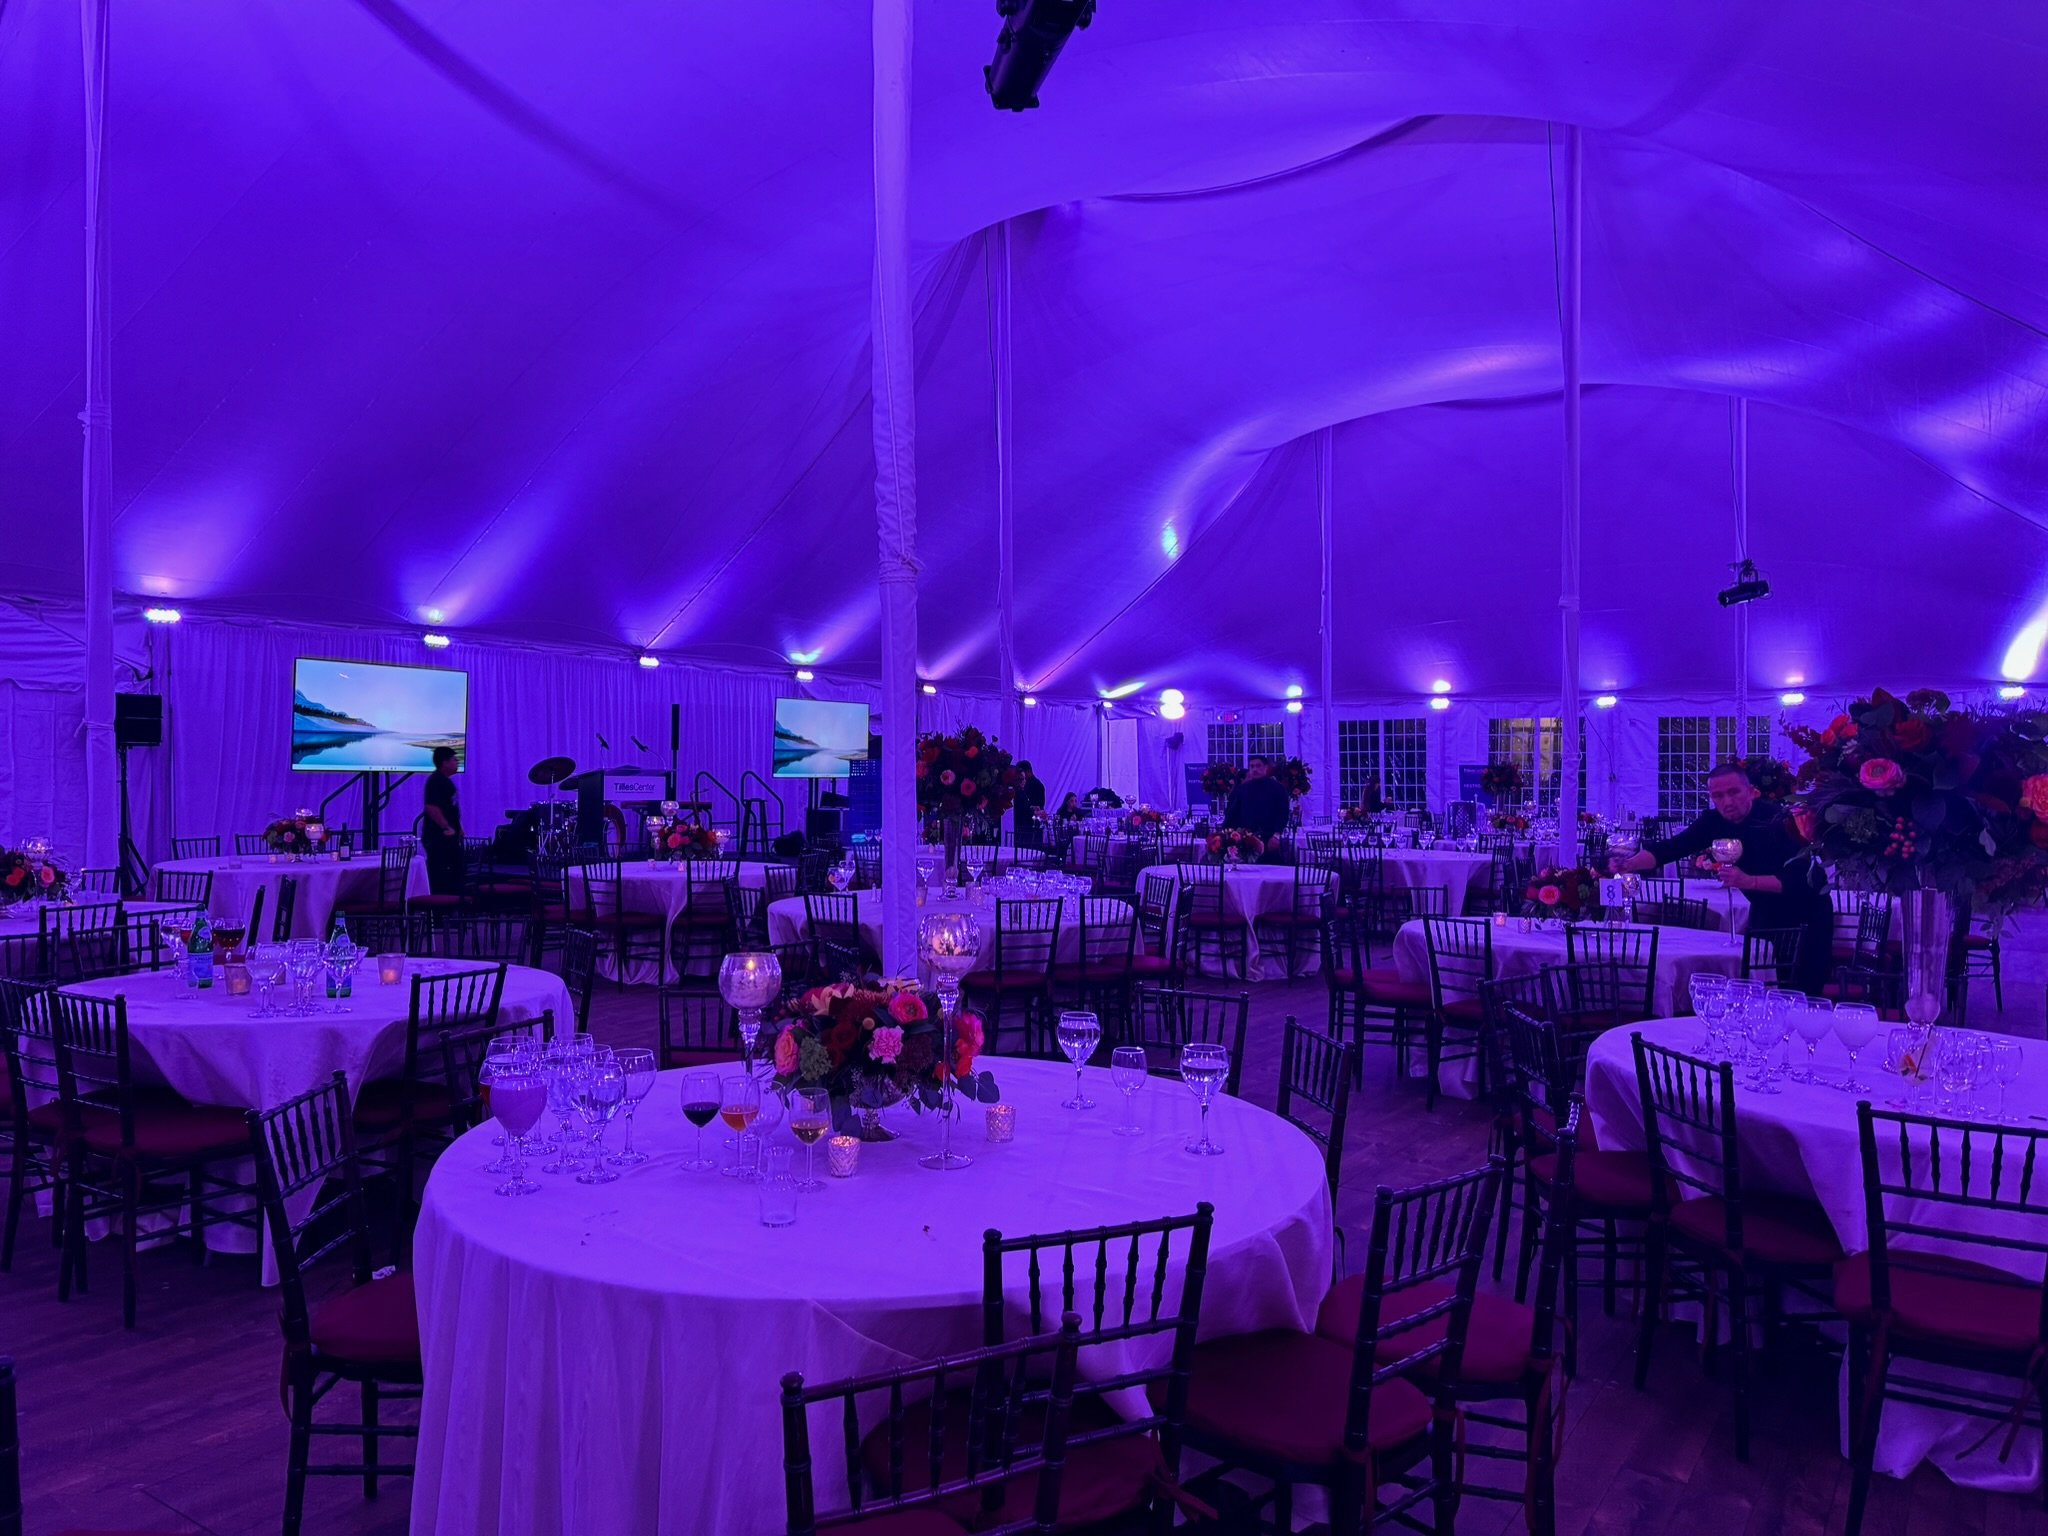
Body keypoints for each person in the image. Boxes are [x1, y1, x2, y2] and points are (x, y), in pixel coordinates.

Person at [1611, 760, 1831, 994]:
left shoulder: (1778, 819)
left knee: (1800, 997)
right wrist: (1628, 864)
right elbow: (1671, 848)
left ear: (1751, 791)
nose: (1727, 802)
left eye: (1733, 792)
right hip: (1764, 913)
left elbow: (1802, 880)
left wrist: (1748, 881)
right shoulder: (1713, 822)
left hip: (1806, 916)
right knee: (1760, 992)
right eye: (1718, 795)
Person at [423, 745, 464, 896]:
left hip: (448, 837)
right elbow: (431, 807)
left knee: (456, 872)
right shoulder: (436, 781)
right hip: (438, 838)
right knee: (441, 877)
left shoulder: (445, 781)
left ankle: (452, 909)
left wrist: (458, 827)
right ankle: (441, 912)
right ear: (445, 762)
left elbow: (450, 808)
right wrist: (446, 827)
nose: (457, 762)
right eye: (454, 759)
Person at [1223, 755, 1292, 842]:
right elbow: (1233, 813)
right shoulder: (1242, 789)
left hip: (1269, 837)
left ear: (1266, 767)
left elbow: (1283, 813)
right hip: (1245, 839)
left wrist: (1276, 835)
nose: (1255, 769)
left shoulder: (1277, 788)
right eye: (1252, 766)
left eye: (1258, 766)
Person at [1014, 759, 1047, 848]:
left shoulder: (1037, 786)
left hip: (1030, 826)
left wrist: (1034, 809)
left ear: (1027, 771)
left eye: (1022, 778)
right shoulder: (1018, 790)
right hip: (1024, 825)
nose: (1023, 781)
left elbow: (1039, 806)